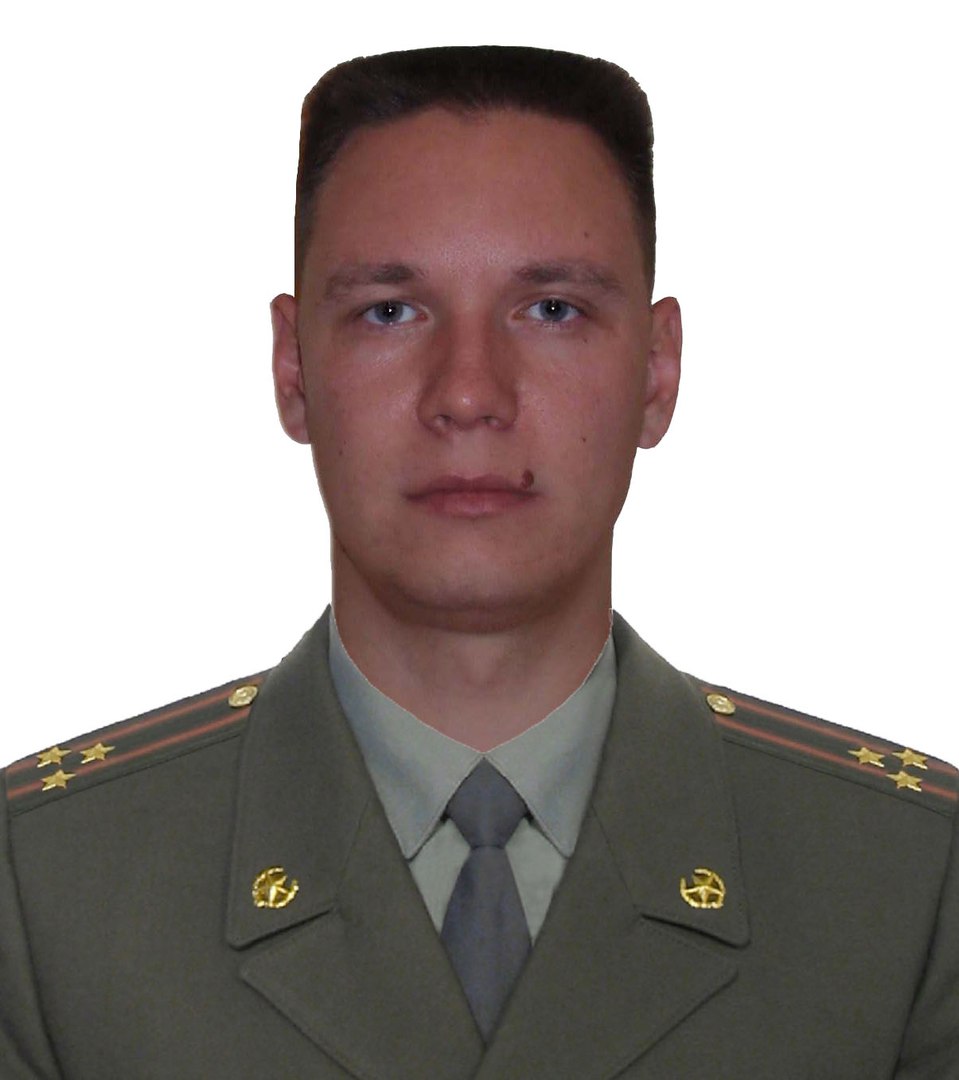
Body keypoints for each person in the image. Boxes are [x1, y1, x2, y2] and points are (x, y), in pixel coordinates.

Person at [1, 44, 956, 1080]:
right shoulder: (46, 892)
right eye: (389, 310)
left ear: (656, 371)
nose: (466, 393)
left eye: (551, 309)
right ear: (292, 368)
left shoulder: (908, 889)